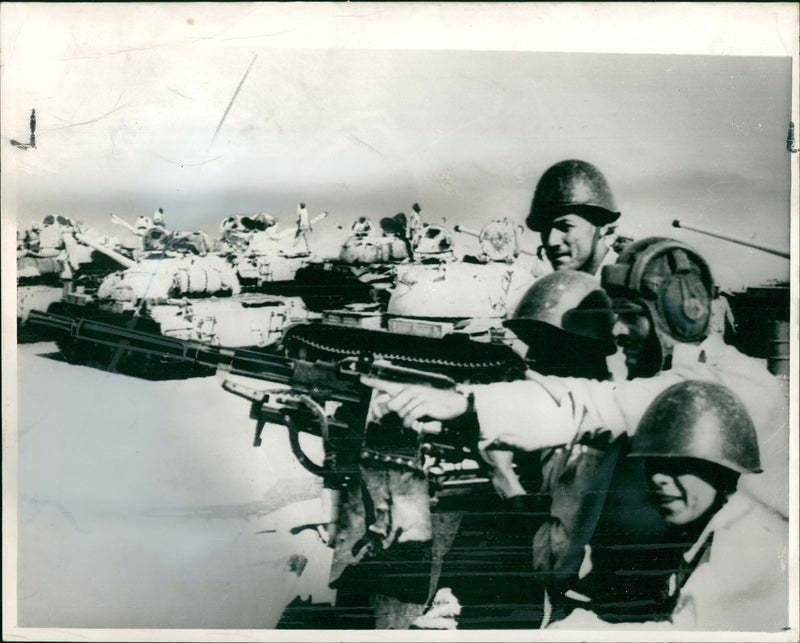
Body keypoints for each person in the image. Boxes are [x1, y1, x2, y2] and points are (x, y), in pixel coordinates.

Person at [380, 236, 789, 524]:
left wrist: (466, 403)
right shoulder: (680, 377)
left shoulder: (733, 384)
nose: (618, 333)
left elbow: (599, 403)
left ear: (681, 312)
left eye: (631, 316)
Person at [414, 270, 619, 629]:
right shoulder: (559, 411)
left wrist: (504, 477)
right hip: (509, 559)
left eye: (545, 347)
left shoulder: (591, 439)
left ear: (581, 354)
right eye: (531, 344)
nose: (532, 360)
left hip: (556, 606)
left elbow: (555, 566)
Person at [550, 380, 788, 631]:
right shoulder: (716, 529)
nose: (658, 478)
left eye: (679, 465)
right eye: (654, 464)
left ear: (723, 471)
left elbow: (682, 635)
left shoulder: (746, 545)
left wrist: (582, 629)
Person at [527, 160, 621, 275]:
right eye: (545, 229)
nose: (551, 242)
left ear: (604, 228)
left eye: (565, 226)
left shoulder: (633, 287)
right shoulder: (558, 287)